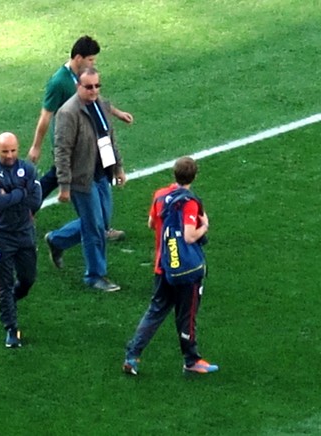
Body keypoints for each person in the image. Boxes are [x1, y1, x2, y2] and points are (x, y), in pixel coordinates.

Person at [28, 35, 132, 242]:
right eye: (91, 59)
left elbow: (97, 100)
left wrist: (118, 113)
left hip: (92, 140)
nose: (93, 63)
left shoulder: (84, 79)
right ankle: (30, 211)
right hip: (70, 142)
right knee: (58, 176)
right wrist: (36, 146)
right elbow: (45, 116)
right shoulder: (59, 82)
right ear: (78, 57)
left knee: (85, 177)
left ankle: (100, 226)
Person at [122, 157, 219, 375]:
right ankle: (191, 360)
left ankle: (132, 355)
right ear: (194, 176)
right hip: (184, 270)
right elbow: (189, 236)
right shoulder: (189, 202)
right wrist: (204, 226)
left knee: (155, 311)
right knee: (187, 314)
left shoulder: (160, 195)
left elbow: (150, 223)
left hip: (162, 266)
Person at [45, 67, 126, 292]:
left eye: (97, 86)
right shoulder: (68, 113)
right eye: (88, 87)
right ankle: (94, 275)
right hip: (82, 178)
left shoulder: (100, 104)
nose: (93, 90)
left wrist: (118, 168)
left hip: (101, 173)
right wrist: (64, 185)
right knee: (94, 227)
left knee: (101, 222)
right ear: (78, 86)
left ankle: (57, 240)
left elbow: (108, 138)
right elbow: (61, 151)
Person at [0, 132, 43, 348]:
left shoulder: (28, 169)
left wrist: (10, 194)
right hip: (1, 235)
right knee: (4, 283)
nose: (9, 155)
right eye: (5, 151)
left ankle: (10, 302)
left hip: (24, 232)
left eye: (13, 150)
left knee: (28, 279)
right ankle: (10, 328)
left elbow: (36, 199)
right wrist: (20, 192)